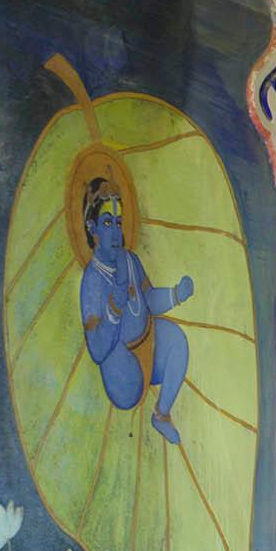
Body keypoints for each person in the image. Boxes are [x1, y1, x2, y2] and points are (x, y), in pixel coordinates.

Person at [77, 179, 194, 444]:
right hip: (122, 370)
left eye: (118, 223)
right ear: (91, 227)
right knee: (127, 388)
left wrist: (176, 294)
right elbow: (96, 350)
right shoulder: (92, 280)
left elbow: (148, 298)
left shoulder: (129, 260)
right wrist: (113, 310)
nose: (116, 232)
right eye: (107, 223)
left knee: (177, 340)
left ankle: (161, 415)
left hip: (147, 345)